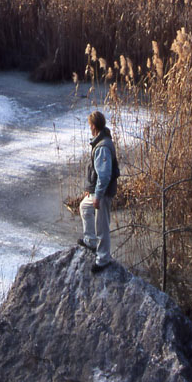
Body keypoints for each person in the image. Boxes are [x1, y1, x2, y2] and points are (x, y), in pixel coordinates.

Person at [79, 110, 117, 273]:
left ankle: (103, 259)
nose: (89, 128)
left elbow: (104, 174)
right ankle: (90, 241)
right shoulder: (101, 141)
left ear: (93, 126)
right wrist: (90, 190)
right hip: (96, 191)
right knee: (84, 207)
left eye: (89, 125)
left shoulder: (102, 147)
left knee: (102, 226)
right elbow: (95, 172)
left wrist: (98, 196)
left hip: (103, 193)